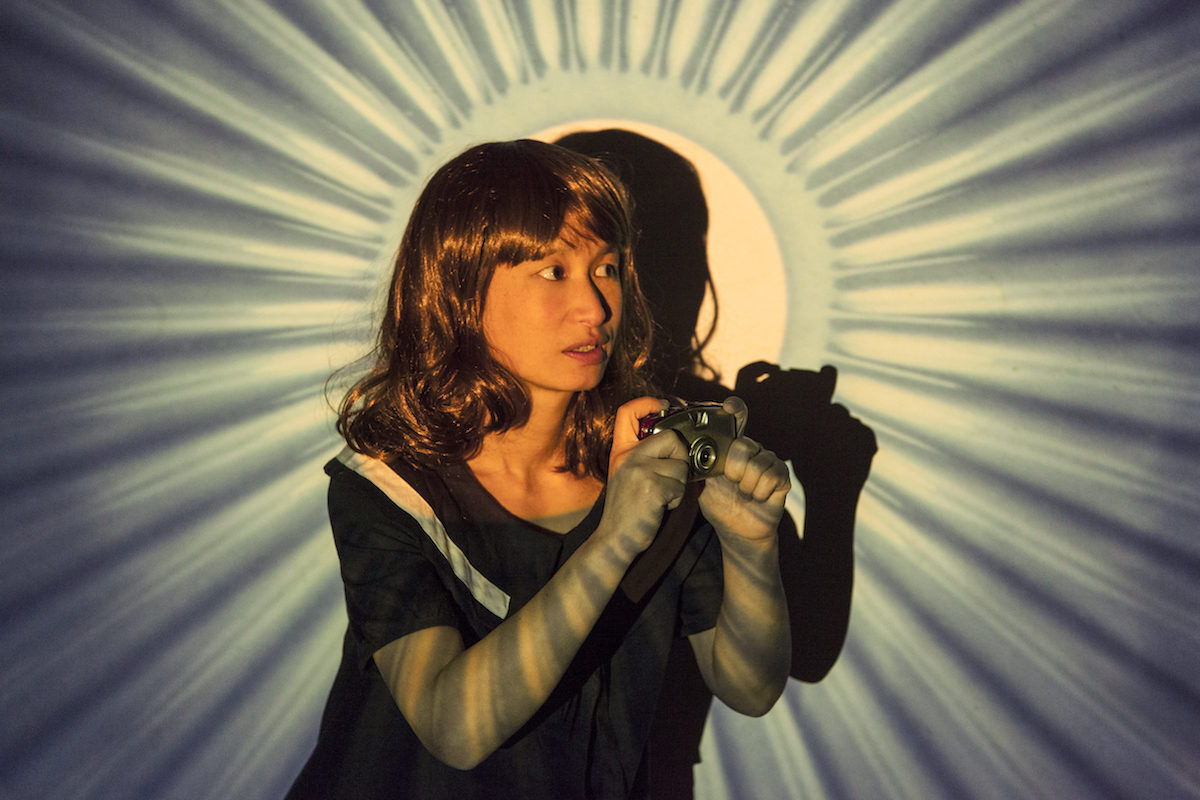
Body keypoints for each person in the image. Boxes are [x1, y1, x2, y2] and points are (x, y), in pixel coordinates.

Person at [286, 139, 793, 800]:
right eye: (554, 271)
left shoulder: (656, 455)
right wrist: (616, 537)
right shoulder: (389, 485)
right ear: (460, 289)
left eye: (606, 268)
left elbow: (750, 688)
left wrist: (752, 547)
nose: (595, 308)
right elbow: (453, 728)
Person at [555, 129, 877, 799]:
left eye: (684, 248)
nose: (678, 280)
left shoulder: (709, 424)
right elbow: (807, 654)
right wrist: (824, 481)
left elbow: (800, 652)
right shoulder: (693, 423)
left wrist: (826, 485)